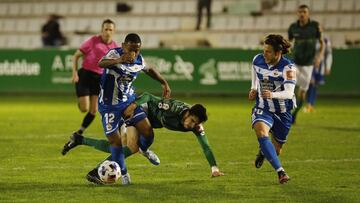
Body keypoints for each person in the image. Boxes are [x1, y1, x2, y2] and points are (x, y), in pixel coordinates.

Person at [62, 92, 224, 184]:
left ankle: (80, 140)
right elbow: (148, 96)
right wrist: (133, 106)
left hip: (147, 123)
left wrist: (214, 168)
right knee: (130, 146)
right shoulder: (172, 108)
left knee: (126, 146)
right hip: (140, 109)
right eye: (192, 120)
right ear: (188, 113)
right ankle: (98, 169)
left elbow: (206, 146)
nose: (192, 125)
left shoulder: (195, 126)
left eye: (196, 124)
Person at [96, 33, 171, 185]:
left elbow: (149, 69)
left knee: (148, 132)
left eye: (136, 50)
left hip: (128, 101)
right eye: (130, 49)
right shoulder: (115, 53)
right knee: (116, 142)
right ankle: (123, 174)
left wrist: (164, 83)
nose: (133, 53)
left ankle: (143, 149)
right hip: (109, 105)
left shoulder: (138, 59)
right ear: (124, 46)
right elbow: (100, 63)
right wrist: (119, 60)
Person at [248, 34, 296, 184]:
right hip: (263, 107)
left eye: (268, 51)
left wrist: (273, 94)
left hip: (283, 112)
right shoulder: (258, 60)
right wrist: (253, 88)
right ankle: (281, 172)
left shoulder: (288, 68)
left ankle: (263, 151)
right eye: (264, 50)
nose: (264, 54)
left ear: (277, 53)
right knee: (261, 132)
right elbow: (255, 73)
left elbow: (289, 93)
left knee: (276, 150)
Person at [63, 19, 118, 145]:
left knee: (93, 110)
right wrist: (75, 73)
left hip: (100, 79)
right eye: (106, 29)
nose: (108, 32)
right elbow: (76, 55)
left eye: (110, 29)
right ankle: (81, 101)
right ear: (101, 30)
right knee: (84, 108)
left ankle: (80, 131)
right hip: (86, 75)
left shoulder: (115, 47)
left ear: (114, 31)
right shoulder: (93, 41)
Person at [288, 4, 324, 123]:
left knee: (302, 92)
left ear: (308, 14)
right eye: (300, 12)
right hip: (296, 63)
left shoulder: (315, 26)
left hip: (309, 65)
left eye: (304, 12)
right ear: (297, 14)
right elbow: (289, 42)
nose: (302, 14)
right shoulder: (293, 27)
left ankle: (294, 114)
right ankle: (285, 113)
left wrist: (319, 57)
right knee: (289, 85)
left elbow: (322, 43)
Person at [305, 36, 333, 113]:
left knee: (314, 84)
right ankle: (309, 104)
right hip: (309, 64)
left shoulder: (326, 40)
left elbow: (329, 54)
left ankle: (310, 104)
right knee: (310, 83)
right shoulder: (309, 39)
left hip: (319, 65)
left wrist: (328, 66)